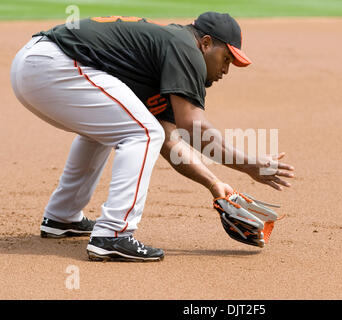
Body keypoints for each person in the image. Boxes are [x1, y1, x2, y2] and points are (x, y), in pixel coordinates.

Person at [9, 12, 295, 262]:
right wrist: (249, 165)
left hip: (40, 66)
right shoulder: (185, 48)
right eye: (226, 58)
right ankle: (113, 235)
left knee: (117, 129)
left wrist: (215, 184)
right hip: (54, 65)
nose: (225, 70)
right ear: (206, 43)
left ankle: (62, 217)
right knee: (143, 131)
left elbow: (170, 142)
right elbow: (192, 126)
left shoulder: (166, 60)